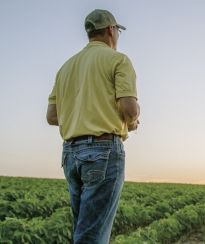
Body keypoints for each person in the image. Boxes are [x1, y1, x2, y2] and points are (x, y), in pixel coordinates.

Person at [46, 9, 140, 243]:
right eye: (118, 31)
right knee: (92, 236)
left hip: (70, 153)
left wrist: (78, 114)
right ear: (111, 30)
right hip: (103, 151)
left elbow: (51, 116)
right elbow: (130, 109)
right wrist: (133, 121)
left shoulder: (65, 68)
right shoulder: (118, 59)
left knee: (82, 229)